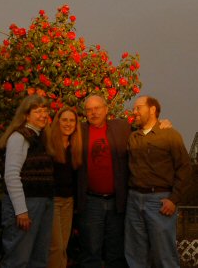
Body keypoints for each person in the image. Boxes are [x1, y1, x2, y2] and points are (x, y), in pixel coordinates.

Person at [124, 95, 191, 268]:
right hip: (134, 200)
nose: (135, 111)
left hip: (159, 201)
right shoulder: (133, 137)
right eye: (134, 108)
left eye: (139, 107)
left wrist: (174, 199)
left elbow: (184, 168)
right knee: (135, 256)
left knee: (165, 256)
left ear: (152, 109)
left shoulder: (170, 135)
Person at [0, 94, 55, 268]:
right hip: (26, 206)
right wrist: (21, 211)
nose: (43, 114)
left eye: (45, 111)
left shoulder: (41, 137)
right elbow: (11, 175)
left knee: (39, 258)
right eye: (37, 111)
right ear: (26, 115)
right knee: (18, 259)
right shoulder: (19, 137)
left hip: (42, 203)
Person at [77, 93, 131, 268]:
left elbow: (145, 130)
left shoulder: (121, 127)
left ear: (106, 109)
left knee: (116, 252)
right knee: (91, 252)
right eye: (89, 109)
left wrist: (162, 124)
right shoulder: (79, 131)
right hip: (91, 201)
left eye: (97, 108)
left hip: (116, 202)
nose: (93, 113)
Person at [47, 106, 82, 268]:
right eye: (64, 120)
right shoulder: (49, 145)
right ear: (58, 122)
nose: (68, 124)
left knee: (63, 247)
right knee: (56, 246)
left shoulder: (75, 146)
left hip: (68, 202)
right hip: (52, 201)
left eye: (72, 120)